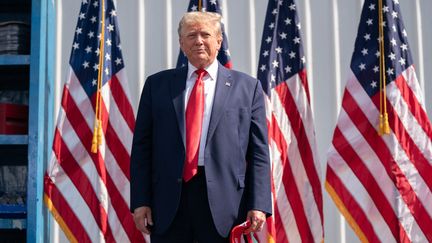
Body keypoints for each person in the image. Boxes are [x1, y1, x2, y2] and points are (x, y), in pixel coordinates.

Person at [130, 11, 271, 242]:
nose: (198, 41)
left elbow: (259, 153)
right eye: (191, 35)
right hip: (168, 204)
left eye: (205, 34)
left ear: (219, 41)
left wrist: (259, 204)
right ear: (181, 43)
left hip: (227, 207)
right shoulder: (157, 85)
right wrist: (140, 201)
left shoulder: (247, 88)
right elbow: (142, 148)